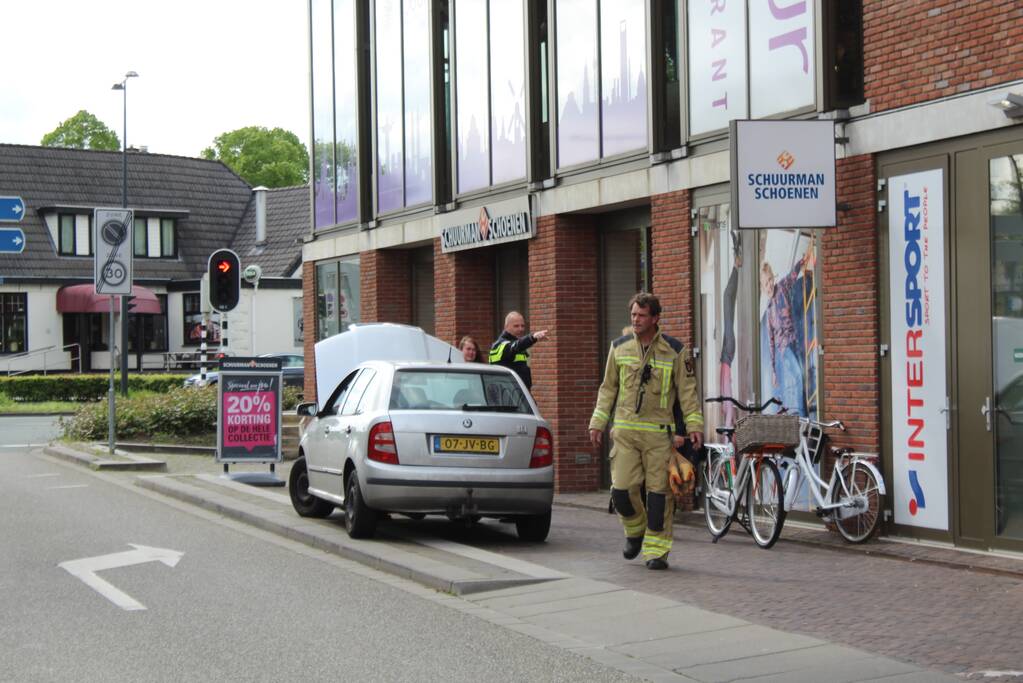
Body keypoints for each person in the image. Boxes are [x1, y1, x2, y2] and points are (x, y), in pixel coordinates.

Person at [588, 293, 704, 570]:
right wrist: (598, 421)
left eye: (641, 315)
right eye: (633, 315)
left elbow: (687, 392)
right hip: (625, 433)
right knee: (621, 492)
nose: (635, 320)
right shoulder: (619, 348)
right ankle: (634, 531)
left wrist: (694, 425)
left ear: (655, 318)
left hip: (658, 436)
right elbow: (608, 389)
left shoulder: (675, 351)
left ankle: (657, 552)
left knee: (658, 497)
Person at [489, 311, 548, 390]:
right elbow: (514, 347)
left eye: (522, 326)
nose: (521, 329)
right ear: (506, 327)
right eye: (516, 326)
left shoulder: (516, 344)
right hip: (506, 393)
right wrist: (532, 337)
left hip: (519, 392)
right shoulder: (500, 345)